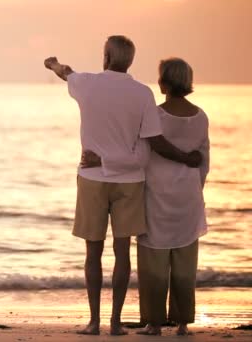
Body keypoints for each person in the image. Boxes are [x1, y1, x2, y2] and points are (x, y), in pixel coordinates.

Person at [44, 36, 202, 336]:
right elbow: (150, 145)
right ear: (130, 61)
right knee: (122, 253)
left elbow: (66, 71)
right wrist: (186, 158)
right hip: (130, 183)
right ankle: (115, 323)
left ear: (105, 56)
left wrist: (51, 63)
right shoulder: (143, 94)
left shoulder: (86, 83)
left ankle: (94, 322)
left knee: (93, 253)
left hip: (93, 179)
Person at [82, 58, 210, 336]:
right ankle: (183, 322)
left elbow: (140, 154)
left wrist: (101, 160)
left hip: (156, 193)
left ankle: (154, 323)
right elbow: (203, 161)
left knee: (154, 261)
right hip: (187, 196)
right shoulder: (201, 117)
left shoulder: (155, 115)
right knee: (185, 261)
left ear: (163, 82)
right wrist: (193, 187)